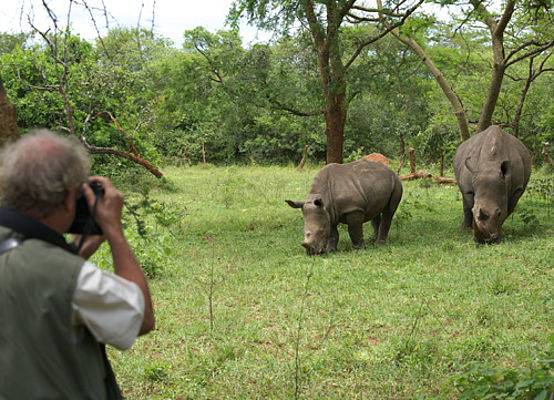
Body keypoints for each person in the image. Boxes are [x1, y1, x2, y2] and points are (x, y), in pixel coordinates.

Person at [0, 129, 155, 399]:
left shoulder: (47, 261)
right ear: (70, 198)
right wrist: (114, 232)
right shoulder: (73, 277)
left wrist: (74, 252)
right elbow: (141, 319)